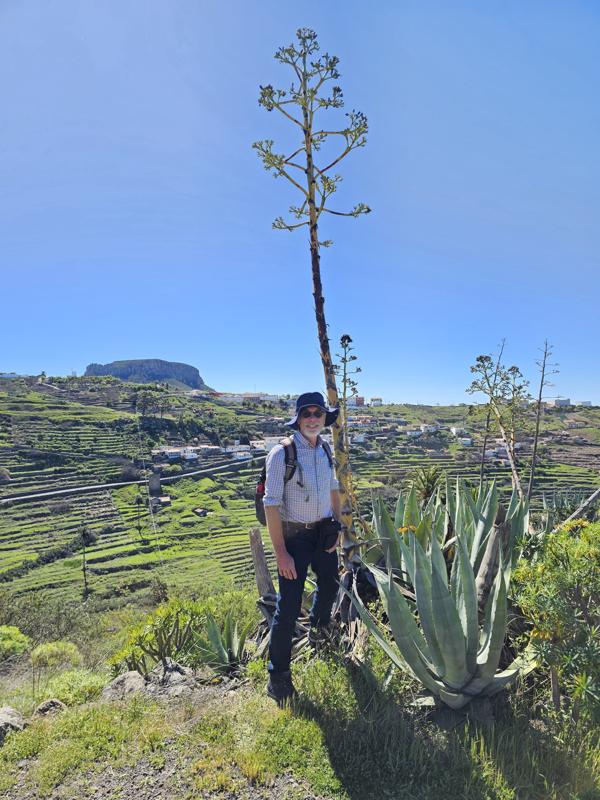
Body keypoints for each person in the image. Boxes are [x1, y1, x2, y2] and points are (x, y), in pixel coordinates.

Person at [263, 391, 343, 703]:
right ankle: (278, 676)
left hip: (323, 534)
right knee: (289, 607)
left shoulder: (325, 450)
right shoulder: (281, 454)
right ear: (297, 419)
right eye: (306, 413)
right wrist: (281, 553)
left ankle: (319, 631)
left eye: (318, 413)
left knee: (329, 585)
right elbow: (271, 505)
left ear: (325, 419)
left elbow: (334, 490)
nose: (312, 419)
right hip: (294, 539)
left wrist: (336, 525)